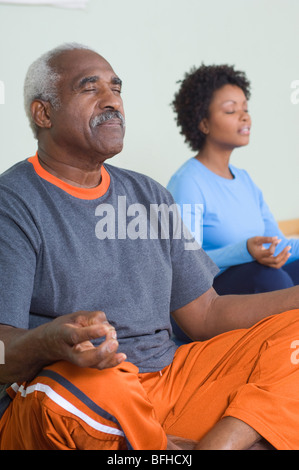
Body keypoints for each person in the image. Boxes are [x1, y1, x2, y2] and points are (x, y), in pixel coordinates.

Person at [1, 44, 299, 451]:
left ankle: (219, 443)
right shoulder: (13, 202)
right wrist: (51, 340)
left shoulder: (149, 195)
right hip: (88, 392)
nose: (113, 101)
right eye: (90, 89)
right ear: (44, 113)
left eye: (117, 88)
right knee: (69, 394)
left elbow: (207, 314)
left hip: (172, 381)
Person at [167, 64, 299, 306]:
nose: (244, 116)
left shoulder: (245, 180)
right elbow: (186, 265)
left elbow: (281, 246)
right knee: (272, 280)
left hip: (260, 278)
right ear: (204, 123)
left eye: (245, 109)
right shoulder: (187, 182)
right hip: (207, 297)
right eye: (230, 111)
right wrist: (245, 250)